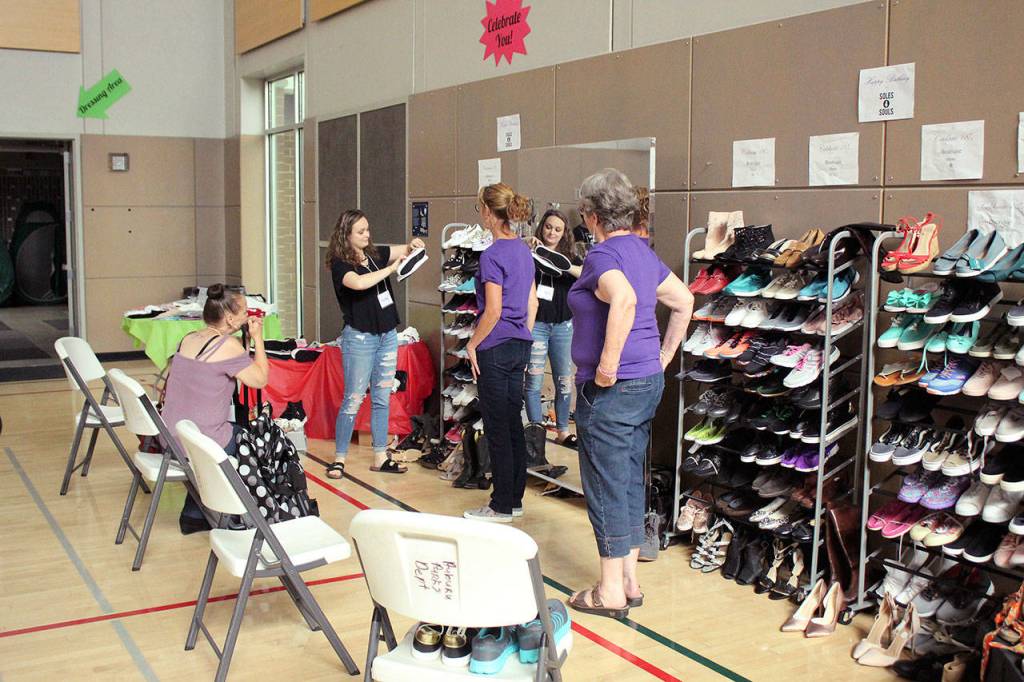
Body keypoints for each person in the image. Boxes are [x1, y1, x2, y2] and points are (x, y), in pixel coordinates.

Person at [566, 168, 693, 618]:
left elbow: (623, 301)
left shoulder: (602, 256)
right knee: (628, 477)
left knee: (605, 482)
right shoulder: (642, 253)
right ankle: (630, 579)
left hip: (614, 389)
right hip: (646, 385)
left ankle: (609, 592)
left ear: (591, 216)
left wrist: (606, 368)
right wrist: (662, 357)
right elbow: (684, 301)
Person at [161, 284, 270, 534]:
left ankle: (194, 514)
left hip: (172, 435)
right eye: (244, 310)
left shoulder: (188, 338)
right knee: (246, 440)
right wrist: (258, 339)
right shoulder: (228, 345)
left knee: (226, 431)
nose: (248, 314)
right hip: (199, 440)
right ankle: (243, 513)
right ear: (230, 317)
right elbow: (260, 379)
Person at [325, 209, 426, 479]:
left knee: (382, 397)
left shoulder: (373, 254)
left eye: (368, 229)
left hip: (387, 335)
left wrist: (413, 245)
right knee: (354, 398)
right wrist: (390, 269)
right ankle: (340, 458)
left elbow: (402, 249)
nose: (367, 235)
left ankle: (380, 455)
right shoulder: (339, 263)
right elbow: (358, 283)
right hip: (360, 337)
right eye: (361, 231)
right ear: (345, 235)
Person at [463, 183, 538, 523]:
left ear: (488, 213)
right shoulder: (523, 250)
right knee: (512, 424)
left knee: (497, 426)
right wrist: (522, 331)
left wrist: (472, 343)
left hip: (495, 346)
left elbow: (491, 312)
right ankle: (514, 498)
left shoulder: (492, 255)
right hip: (520, 344)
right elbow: (532, 301)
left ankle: (501, 505)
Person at [525, 209, 582, 448]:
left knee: (563, 380)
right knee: (534, 381)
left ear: (564, 232)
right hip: (537, 325)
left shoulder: (571, 256)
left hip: (563, 326)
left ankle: (562, 431)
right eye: (549, 227)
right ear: (542, 226)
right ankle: (536, 433)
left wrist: (562, 264)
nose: (552, 232)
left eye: (558, 229)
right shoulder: (530, 250)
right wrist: (529, 248)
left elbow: (584, 274)